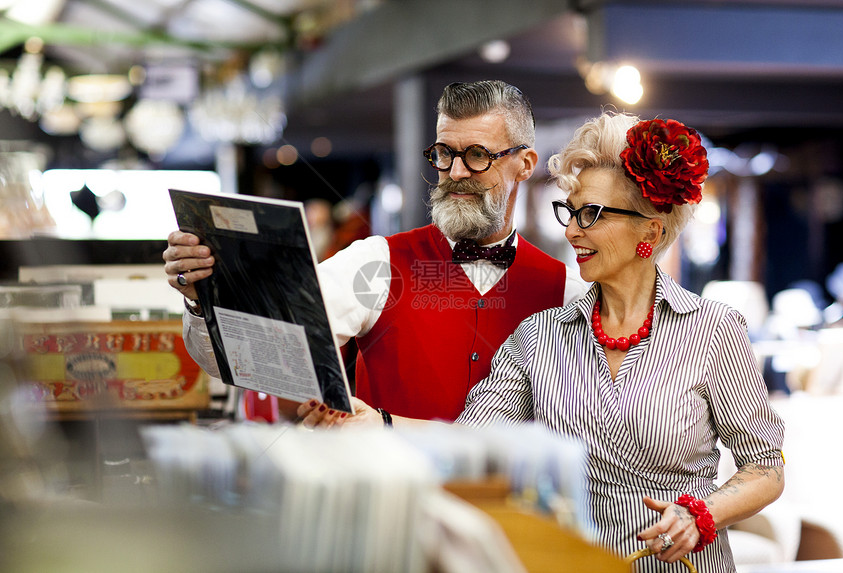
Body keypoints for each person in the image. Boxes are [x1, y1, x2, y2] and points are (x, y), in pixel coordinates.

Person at [447, 112, 785, 570]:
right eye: (570, 211)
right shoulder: (539, 337)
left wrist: (700, 514)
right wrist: (380, 424)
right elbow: (469, 441)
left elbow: (765, 467)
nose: (570, 231)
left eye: (591, 214)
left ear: (651, 229)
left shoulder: (712, 330)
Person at [164, 80, 588, 423]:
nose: (456, 172)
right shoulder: (376, 262)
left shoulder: (569, 291)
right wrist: (204, 298)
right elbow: (250, 354)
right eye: (444, 154)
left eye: (477, 156)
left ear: (526, 163)